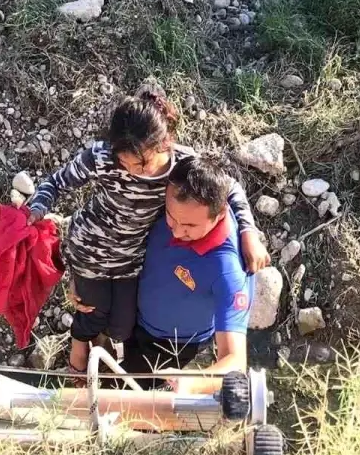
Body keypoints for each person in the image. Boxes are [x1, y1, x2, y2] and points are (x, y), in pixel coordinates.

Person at [26, 83, 269, 373]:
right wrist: (37, 208)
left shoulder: (183, 166)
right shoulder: (101, 158)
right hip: (92, 248)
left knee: (122, 326)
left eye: (141, 164)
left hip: (131, 257)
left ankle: (102, 358)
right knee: (92, 311)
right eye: (124, 162)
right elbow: (55, 182)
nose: (132, 171)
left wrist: (248, 232)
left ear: (163, 144)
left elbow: (229, 188)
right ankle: (77, 367)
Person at [75, 153, 252, 393]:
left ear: (219, 213)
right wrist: (83, 278)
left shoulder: (229, 270)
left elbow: (235, 362)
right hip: (134, 315)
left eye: (189, 227)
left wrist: (193, 383)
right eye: (171, 218)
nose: (177, 232)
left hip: (172, 347)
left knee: (116, 400)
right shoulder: (165, 199)